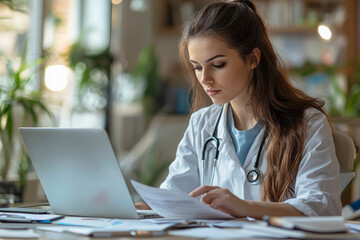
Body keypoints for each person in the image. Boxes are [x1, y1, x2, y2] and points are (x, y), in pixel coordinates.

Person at [136, 0, 342, 218]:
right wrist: (137, 208)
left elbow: (321, 207)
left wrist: (243, 207)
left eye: (218, 65)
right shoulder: (202, 123)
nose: (204, 79)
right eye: (197, 67)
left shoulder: (307, 123)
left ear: (252, 59)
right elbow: (174, 195)